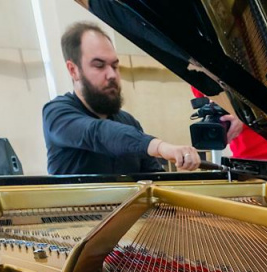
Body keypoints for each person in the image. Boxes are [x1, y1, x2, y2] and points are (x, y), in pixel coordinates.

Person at [43, 22, 201, 175]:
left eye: (114, 66)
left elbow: (155, 180)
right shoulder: (57, 115)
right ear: (73, 70)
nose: (112, 75)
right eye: (99, 65)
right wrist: (160, 147)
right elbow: (98, 133)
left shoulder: (128, 122)